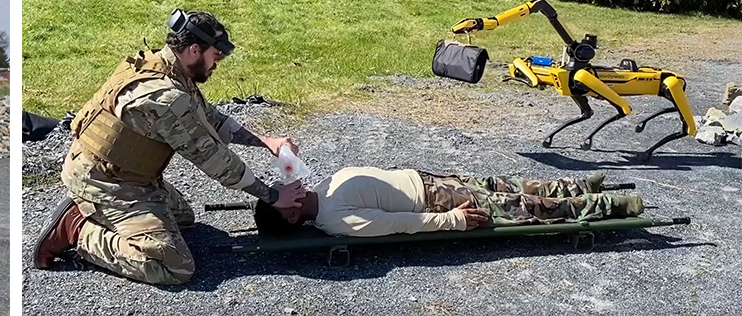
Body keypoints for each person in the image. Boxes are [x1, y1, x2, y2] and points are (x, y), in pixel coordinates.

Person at [31, 9, 306, 285]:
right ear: (195, 50)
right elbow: (217, 162)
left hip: (129, 176)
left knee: (184, 218)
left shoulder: (166, 67)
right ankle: (77, 230)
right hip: (106, 181)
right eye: (215, 57)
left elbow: (211, 118)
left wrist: (266, 142)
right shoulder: (164, 99)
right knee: (174, 266)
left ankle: (95, 211)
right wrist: (272, 196)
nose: (215, 65)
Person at [260, 166, 641, 237]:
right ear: (292, 216)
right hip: (435, 201)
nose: (282, 185)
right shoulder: (335, 219)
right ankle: (611, 206)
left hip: (429, 180)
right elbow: (396, 224)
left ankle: (575, 186)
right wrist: (453, 221)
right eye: (278, 195)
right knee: (524, 206)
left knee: (508, 183)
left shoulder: (321, 188)